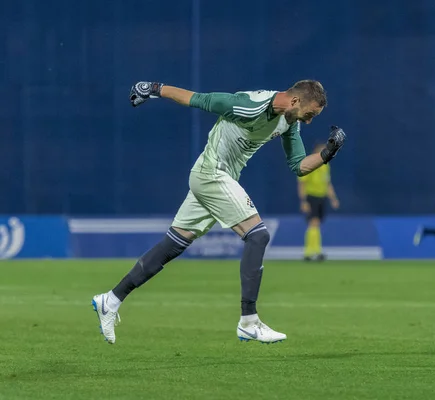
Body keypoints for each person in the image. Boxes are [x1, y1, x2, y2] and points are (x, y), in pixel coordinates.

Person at [91, 80, 346, 344]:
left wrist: (329, 152)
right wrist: (154, 88)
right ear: (295, 102)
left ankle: (110, 300)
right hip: (212, 174)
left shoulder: (289, 122)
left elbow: (299, 166)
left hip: (216, 178)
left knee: (173, 244)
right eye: (309, 115)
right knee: (257, 236)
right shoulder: (248, 105)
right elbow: (198, 98)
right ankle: (249, 321)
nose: (309, 122)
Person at [297, 143, 340, 261]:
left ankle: (316, 250)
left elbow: (327, 183)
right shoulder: (309, 163)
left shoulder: (325, 166)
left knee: (316, 224)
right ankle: (309, 252)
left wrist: (333, 198)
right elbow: (302, 184)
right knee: (313, 222)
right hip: (312, 196)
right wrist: (303, 201)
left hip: (322, 197)